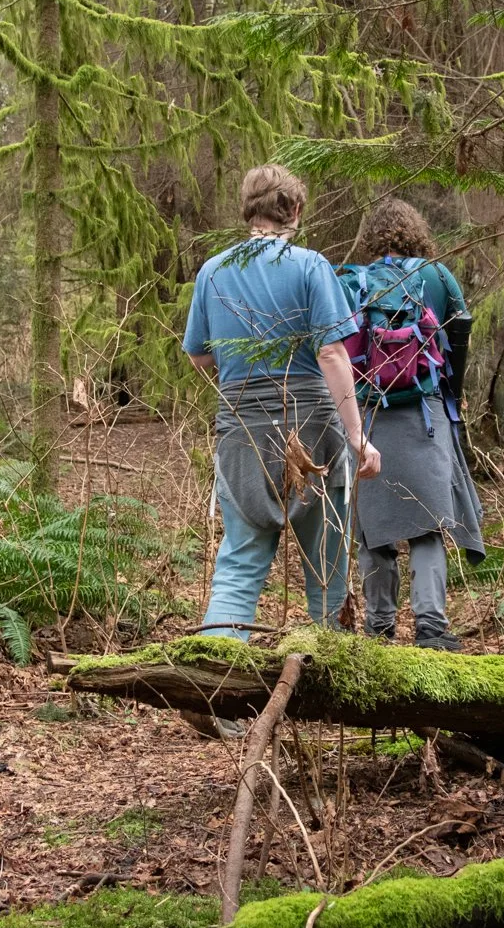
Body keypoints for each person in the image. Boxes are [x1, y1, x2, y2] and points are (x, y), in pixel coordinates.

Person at [183, 165, 382, 638]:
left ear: (248, 209)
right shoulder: (312, 266)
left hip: (241, 427)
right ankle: (335, 694)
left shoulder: (213, 271)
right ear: (294, 210)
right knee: (327, 569)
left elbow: (197, 355)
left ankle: (218, 689)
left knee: (240, 565)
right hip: (312, 427)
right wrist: (357, 437)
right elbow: (332, 352)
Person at [348, 199, 485, 650]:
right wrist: (455, 393)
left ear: (372, 239)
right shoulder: (437, 276)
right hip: (426, 415)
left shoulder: (356, 281)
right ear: (418, 232)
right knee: (427, 526)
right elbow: (459, 335)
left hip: (370, 417)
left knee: (375, 528)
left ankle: (379, 629)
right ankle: (431, 627)